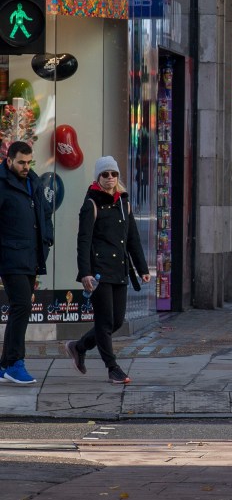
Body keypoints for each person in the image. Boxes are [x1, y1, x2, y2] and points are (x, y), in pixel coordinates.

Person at [66, 156, 150, 384]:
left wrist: (142, 268)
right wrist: (85, 273)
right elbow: (83, 241)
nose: (110, 178)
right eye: (105, 174)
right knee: (104, 322)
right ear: (98, 177)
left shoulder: (124, 202)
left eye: (114, 174)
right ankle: (112, 368)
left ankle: (79, 346)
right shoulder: (91, 203)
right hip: (99, 272)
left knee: (117, 321)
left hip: (120, 270)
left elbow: (132, 238)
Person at [0, 141, 53, 384]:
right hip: (10, 257)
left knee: (19, 308)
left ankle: (4, 366)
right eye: (21, 162)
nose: (25, 166)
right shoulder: (2, 184)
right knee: (22, 306)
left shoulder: (34, 181)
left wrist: (47, 238)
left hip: (31, 256)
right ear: (9, 160)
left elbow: (44, 213)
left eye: (28, 161)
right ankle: (15, 362)